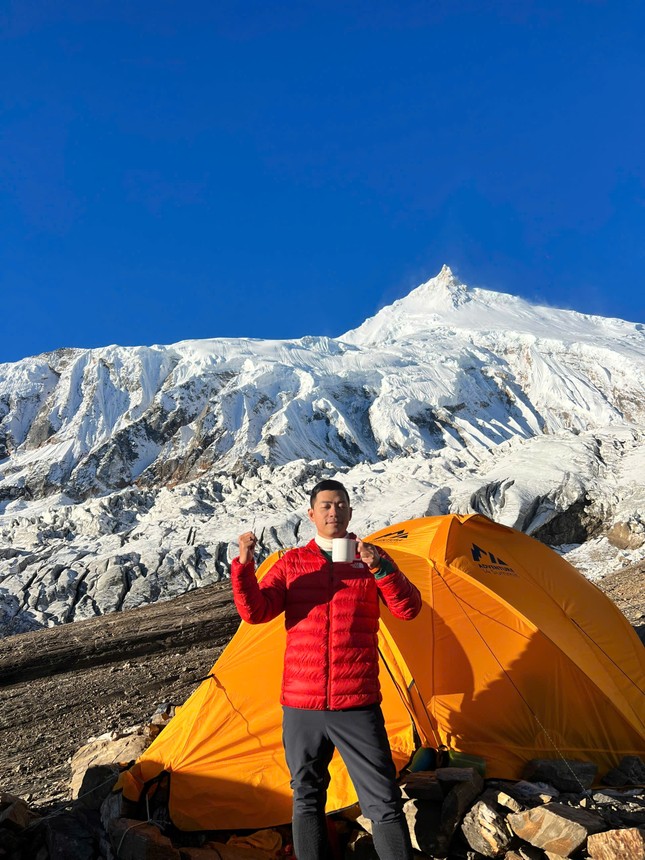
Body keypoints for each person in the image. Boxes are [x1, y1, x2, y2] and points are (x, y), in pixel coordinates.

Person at [231, 479, 422, 860]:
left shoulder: (371, 558)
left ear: (350, 512)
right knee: (306, 797)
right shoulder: (291, 563)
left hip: (357, 704)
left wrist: (381, 568)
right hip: (302, 706)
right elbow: (256, 612)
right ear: (311, 514)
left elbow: (408, 608)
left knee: (383, 800)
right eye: (325, 506)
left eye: (340, 505)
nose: (333, 512)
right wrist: (244, 566)